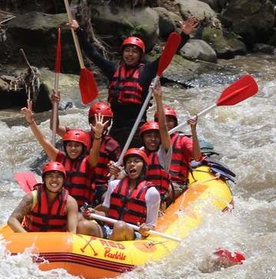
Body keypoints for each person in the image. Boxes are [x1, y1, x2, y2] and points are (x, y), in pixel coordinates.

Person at [72, 16, 199, 144]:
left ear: (140, 55)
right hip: (116, 128)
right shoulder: (113, 69)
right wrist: (79, 31)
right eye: (127, 51)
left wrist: (184, 35)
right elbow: (94, 54)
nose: (130, 54)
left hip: (137, 129)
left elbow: (168, 54)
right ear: (122, 53)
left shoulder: (147, 71)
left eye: (134, 52)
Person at [22, 100, 106, 208]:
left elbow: (95, 150)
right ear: (65, 146)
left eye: (77, 146)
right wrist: (31, 121)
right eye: (70, 145)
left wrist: (98, 136)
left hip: (79, 210)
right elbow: (43, 141)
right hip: (60, 208)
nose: (73, 149)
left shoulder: (89, 162)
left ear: (83, 148)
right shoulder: (60, 158)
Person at [87, 148, 161, 241]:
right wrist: (95, 213)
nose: (132, 164)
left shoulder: (152, 193)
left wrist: (146, 229)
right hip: (110, 230)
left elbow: (151, 225)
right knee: (83, 225)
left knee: (120, 226)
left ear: (144, 167)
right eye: (129, 162)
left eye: (136, 161)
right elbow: (106, 213)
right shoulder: (113, 185)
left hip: (134, 234)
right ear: (125, 167)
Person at [8, 161, 100, 236]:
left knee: (86, 225)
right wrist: (27, 238)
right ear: (44, 179)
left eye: (58, 176)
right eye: (50, 176)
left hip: (57, 242)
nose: (54, 180)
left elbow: (72, 233)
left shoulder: (70, 202)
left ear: (63, 180)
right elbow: (12, 220)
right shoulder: (32, 197)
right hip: (32, 236)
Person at [57, 101, 121, 205]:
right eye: (96, 120)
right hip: (80, 181)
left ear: (109, 124)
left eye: (104, 121)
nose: (100, 123)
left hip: (101, 185)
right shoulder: (80, 137)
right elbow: (55, 127)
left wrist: (116, 169)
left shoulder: (112, 145)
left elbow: (121, 170)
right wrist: (55, 104)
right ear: (90, 121)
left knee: (107, 199)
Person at [157, 103, 201, 200]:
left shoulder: (183, 140)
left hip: (175, 183)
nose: (166, 124)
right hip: (155, 181)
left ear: (175, 123)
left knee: (163, 191)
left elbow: (197, 157)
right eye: (164, 121)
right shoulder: (153, 141)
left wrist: (193, 130)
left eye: (169, 121)